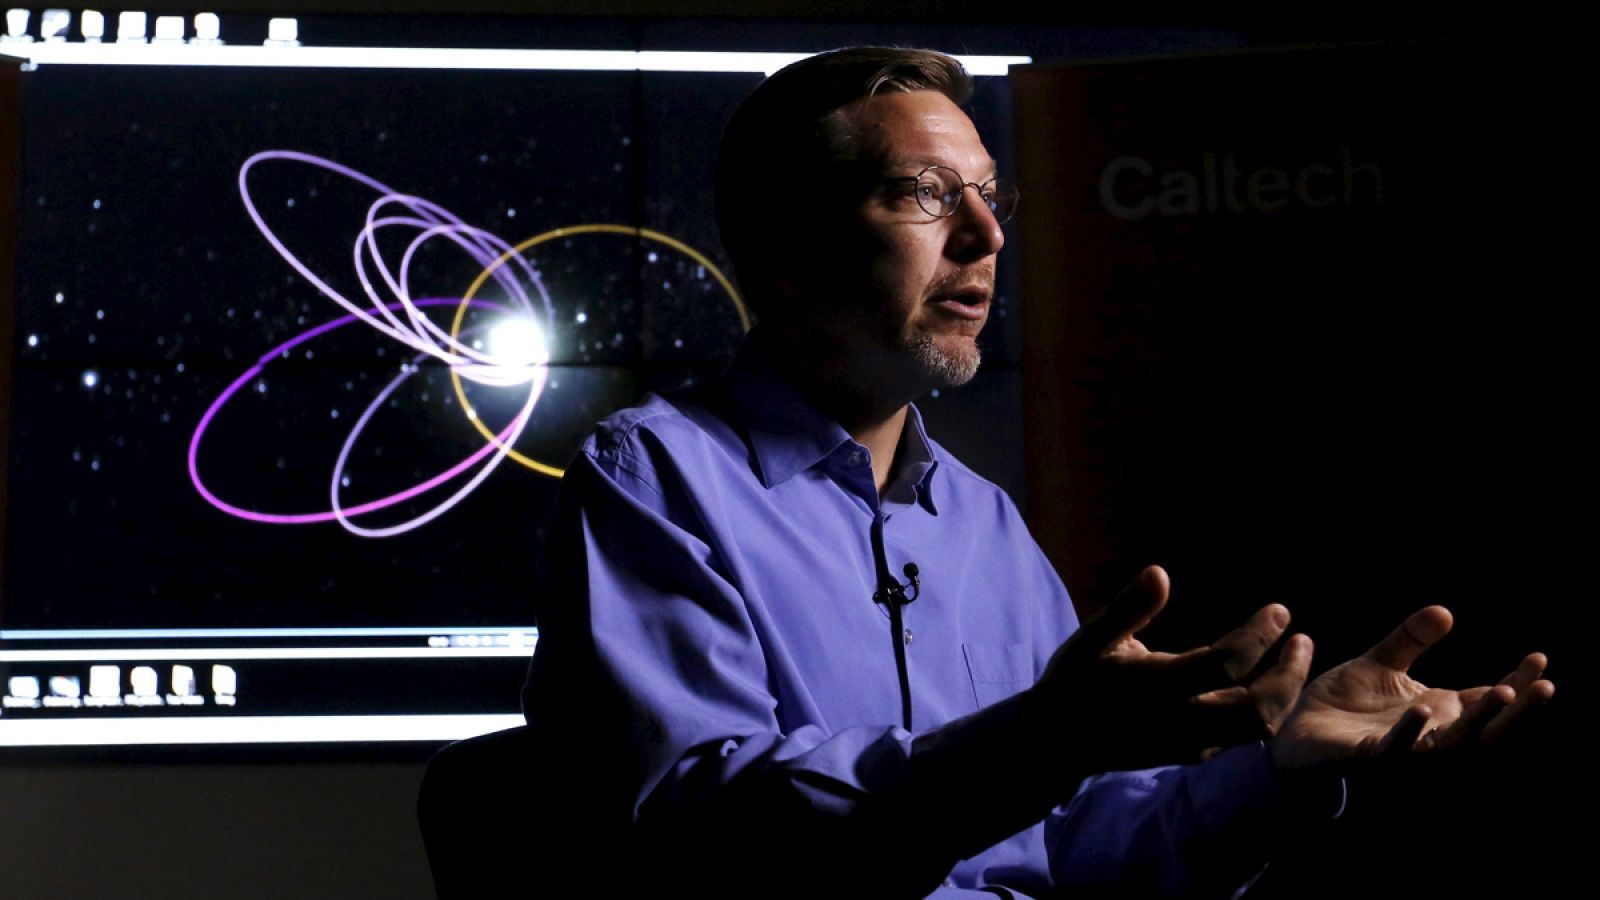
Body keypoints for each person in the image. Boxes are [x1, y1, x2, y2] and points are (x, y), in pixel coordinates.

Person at [520, 47, 1553, 898]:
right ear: (786, 242)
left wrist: (1282, 771)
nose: (986, 235)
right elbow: (699, 826)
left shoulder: (985, 523)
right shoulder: (653, 477)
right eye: (924, 194)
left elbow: (1072, 842)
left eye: (988, 195)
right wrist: (1034, 743)